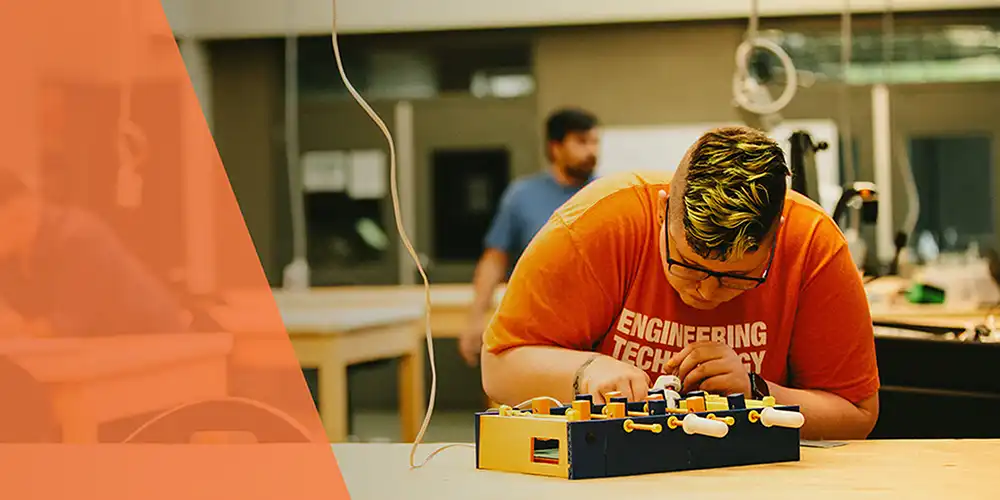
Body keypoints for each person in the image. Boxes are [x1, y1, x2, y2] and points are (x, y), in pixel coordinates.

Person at [480, 125, 880, 441]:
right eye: (688, 265)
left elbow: (857, 413)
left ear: (778, 234)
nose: (706, 292)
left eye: (737, 278)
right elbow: (498, 367)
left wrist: (757, 392)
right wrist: (587, 372)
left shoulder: (812, 244)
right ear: (661, 210)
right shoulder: (597, 225)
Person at [459, 107, 601, 366]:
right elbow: (494, 259)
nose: (592, 151)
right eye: (581, 142)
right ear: (555, 147)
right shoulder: (522, 196)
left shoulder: (605, 192)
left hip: (597, 325)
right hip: (536, 324)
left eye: (594, 142)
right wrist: (476, 318)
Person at [0, 168, 190, 337]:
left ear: (18, 213)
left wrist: (18, 329)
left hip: (155, 345)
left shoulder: (79, 239)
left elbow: (66, 325)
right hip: (100, 351)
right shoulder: (12, 260)